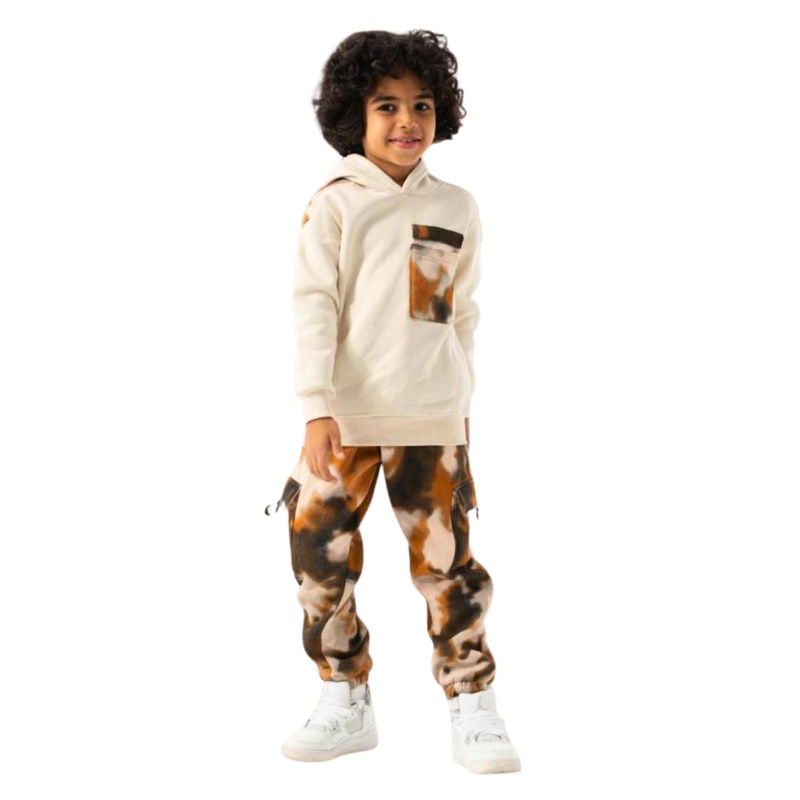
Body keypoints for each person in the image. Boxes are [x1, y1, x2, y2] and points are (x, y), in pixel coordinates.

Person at [265, 29, 521, 775]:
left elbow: (458, 314)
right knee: (317, 556)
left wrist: (460, 407)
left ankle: (473, 702)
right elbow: (313, 305)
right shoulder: (336, 205)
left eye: (422, 105)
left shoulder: (456, 206)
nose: (407, 120)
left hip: (432, 419)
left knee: (448, 567)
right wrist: (316, 407)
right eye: (387, 106)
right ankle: (344, 692)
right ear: (356, 114)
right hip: (343, 422)